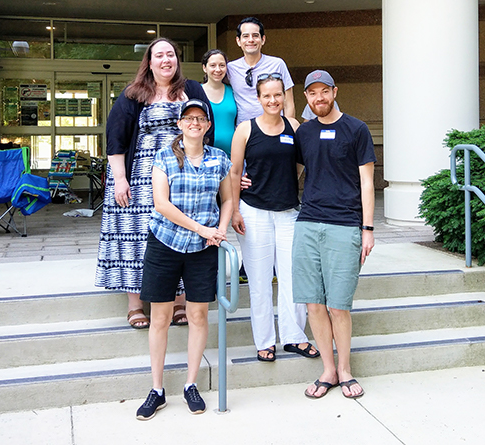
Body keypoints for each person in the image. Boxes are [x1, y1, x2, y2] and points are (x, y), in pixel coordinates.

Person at [95, 38, 214, 329]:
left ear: (177, 60)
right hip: (139, 180)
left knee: (183, 233)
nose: (165, 60)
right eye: (159, 55)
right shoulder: (133, 94)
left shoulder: (192, 90)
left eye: (170, 54)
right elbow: (116, 139)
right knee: (136, 240)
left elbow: (206, 127)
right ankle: (136, 304)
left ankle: (179, 302)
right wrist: (120, 179)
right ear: (149, 62)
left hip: (184, 178)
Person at [136, 99, 233, 420]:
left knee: (198, 316)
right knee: (160, 318)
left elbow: (229, 198)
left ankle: (191, 384)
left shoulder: (219, 158)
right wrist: (203, 228)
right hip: (165, 243)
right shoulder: (163, 157)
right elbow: (161, 204)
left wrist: (219, 229)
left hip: (204, 249)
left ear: (207, 125)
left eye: (200, 118)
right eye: (188, 118)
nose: (194, 123)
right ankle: (157, 389)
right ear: (179, 124)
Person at [293, 70, 376, 399]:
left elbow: (367, 182)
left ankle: (345, 370)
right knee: (314, 304)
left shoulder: (356, 129)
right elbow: (293, 172)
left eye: (324, 91)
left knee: (339, 306)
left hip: (345, 225)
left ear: (335, 92)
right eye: (312, 93)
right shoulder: (305, 133)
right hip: (307, 224)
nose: (318, 98)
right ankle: (327, 369)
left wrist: (367, 229)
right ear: (307, 98)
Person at [230, 73, 319, 362]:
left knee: (293, 278)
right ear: (258, 98)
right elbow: (233, 172)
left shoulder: (294, 127)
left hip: (288, 213)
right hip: (253, 212)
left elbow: (304, 162)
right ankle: (265, 341)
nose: (272, 100)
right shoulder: (245, 129)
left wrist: (288, 181)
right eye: (266, 95)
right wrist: (233, 210)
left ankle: (294, 337)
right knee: (259, 280)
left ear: (284, 96)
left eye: (277, 95)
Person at [227, 17, 295, 125]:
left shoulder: (277, 64)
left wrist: (287, 130)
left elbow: (288, 103)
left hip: (275, 129)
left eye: (255, 36)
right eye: (245, 36)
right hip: (244, 132)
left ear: (263, 40)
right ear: (238, 41)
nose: (251, 40)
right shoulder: (230, 68)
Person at [201, 49, 236, 158]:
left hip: (232, 155)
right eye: (213, 65)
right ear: (204, 68)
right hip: (204, 154)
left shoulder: (233, 91)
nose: (218, 69)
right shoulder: (197, 92)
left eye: (222, 65)